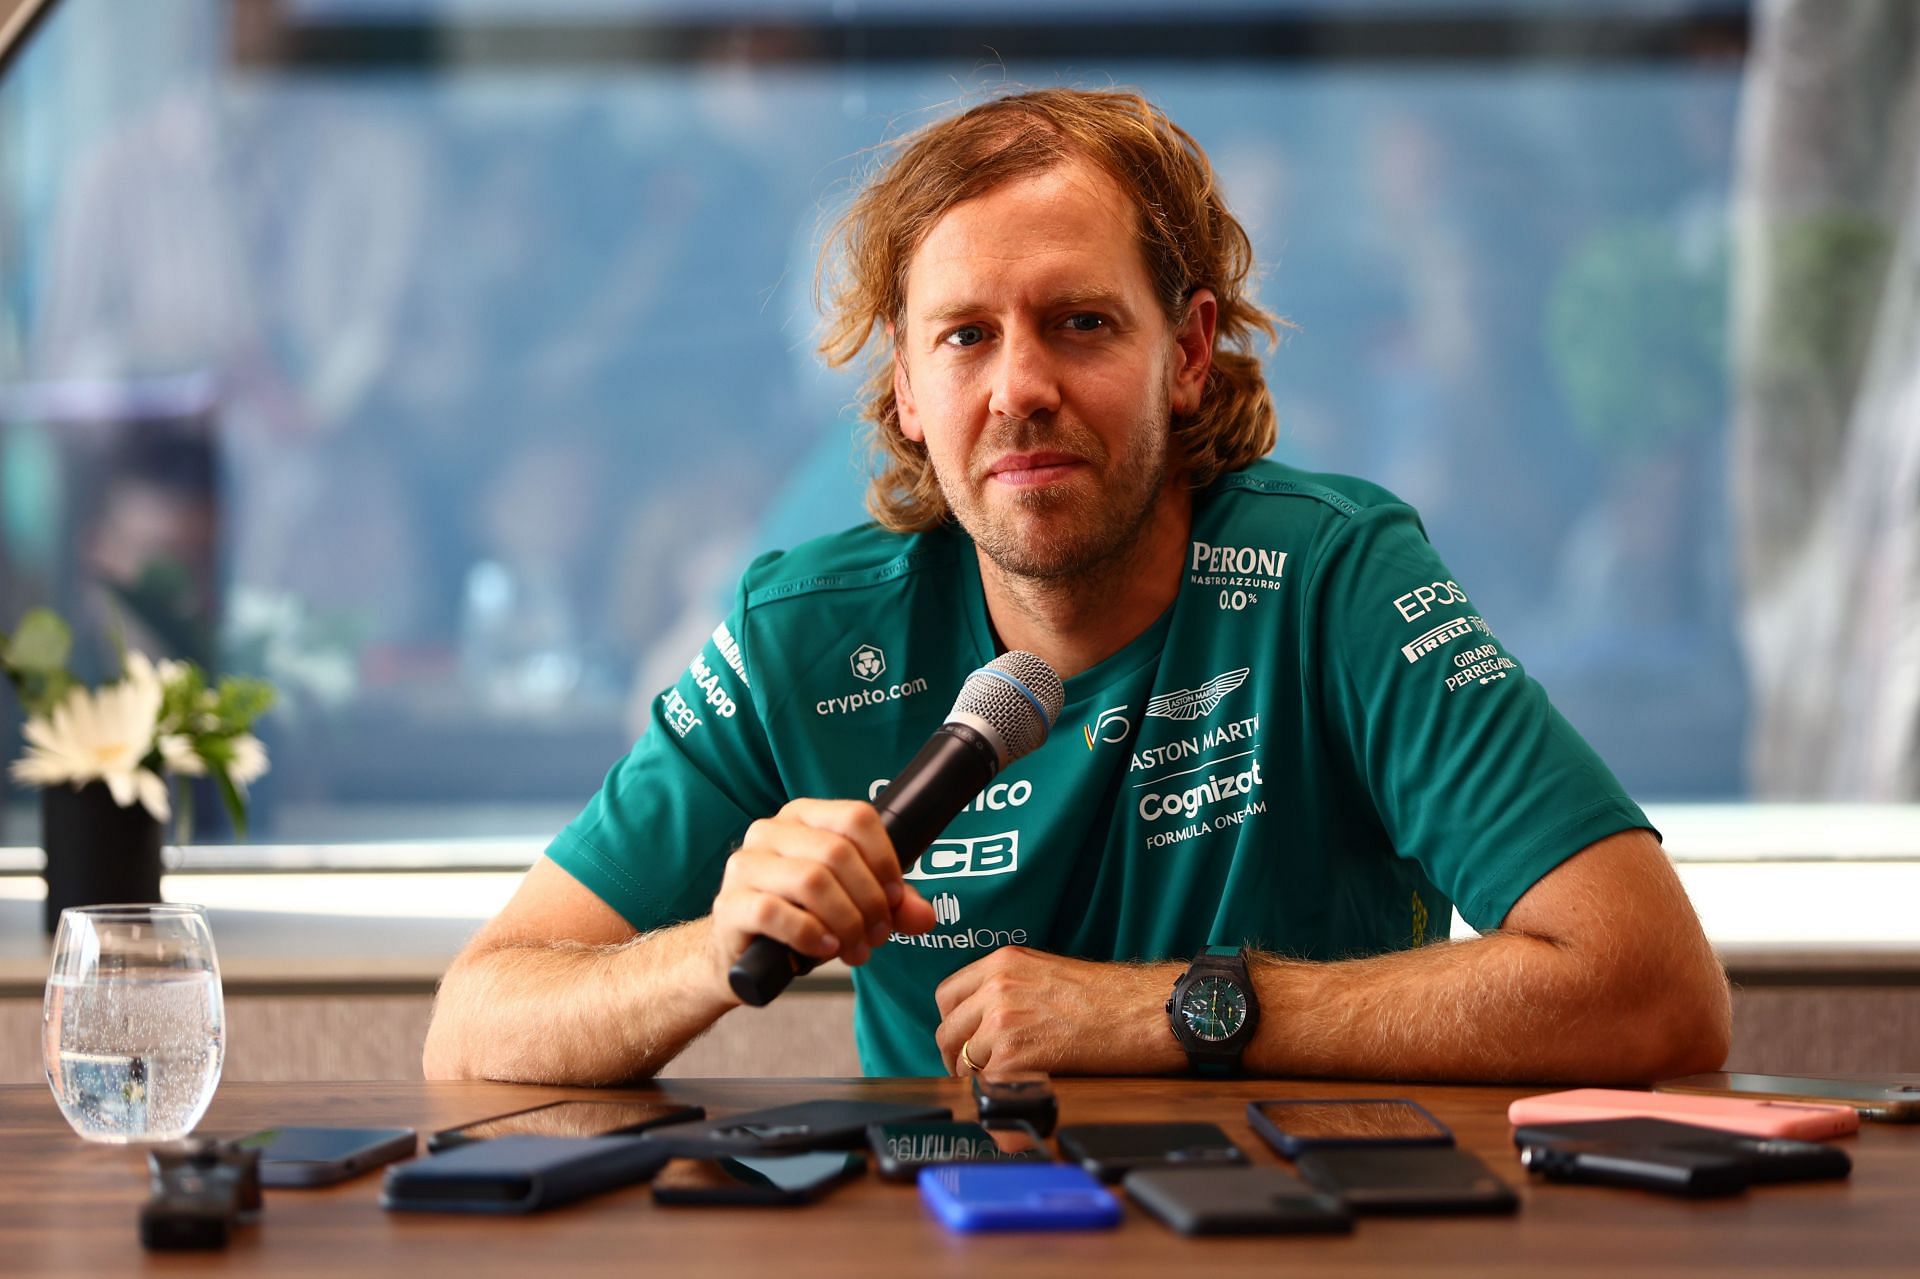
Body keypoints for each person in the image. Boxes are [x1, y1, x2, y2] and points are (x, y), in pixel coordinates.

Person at [423, 88, 1730, 1084]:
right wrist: (713, 949)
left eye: (1080, 323)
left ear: (1190, 353)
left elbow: (1655, 992)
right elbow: (474, 1026)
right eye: (967, 336)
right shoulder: (801, 634)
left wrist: (1163, 1012)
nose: (1022, 386)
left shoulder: (1334, 575)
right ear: (905, 394)